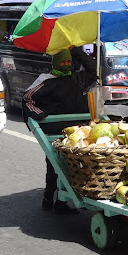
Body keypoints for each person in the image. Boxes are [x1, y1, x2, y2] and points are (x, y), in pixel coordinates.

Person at [22, 47, 97, 214]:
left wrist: (75, 51)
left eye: (69, 61)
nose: (66, 64)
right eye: (62, 61)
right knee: (55, 164)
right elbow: (27, 99)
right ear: (55, 63)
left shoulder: (77, 79)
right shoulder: (46, 81)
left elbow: (93, 69)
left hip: (77, 131)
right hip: (55, 131)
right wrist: (39, 115)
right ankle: (50, 199)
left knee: (74, 165)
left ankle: (61, 198)